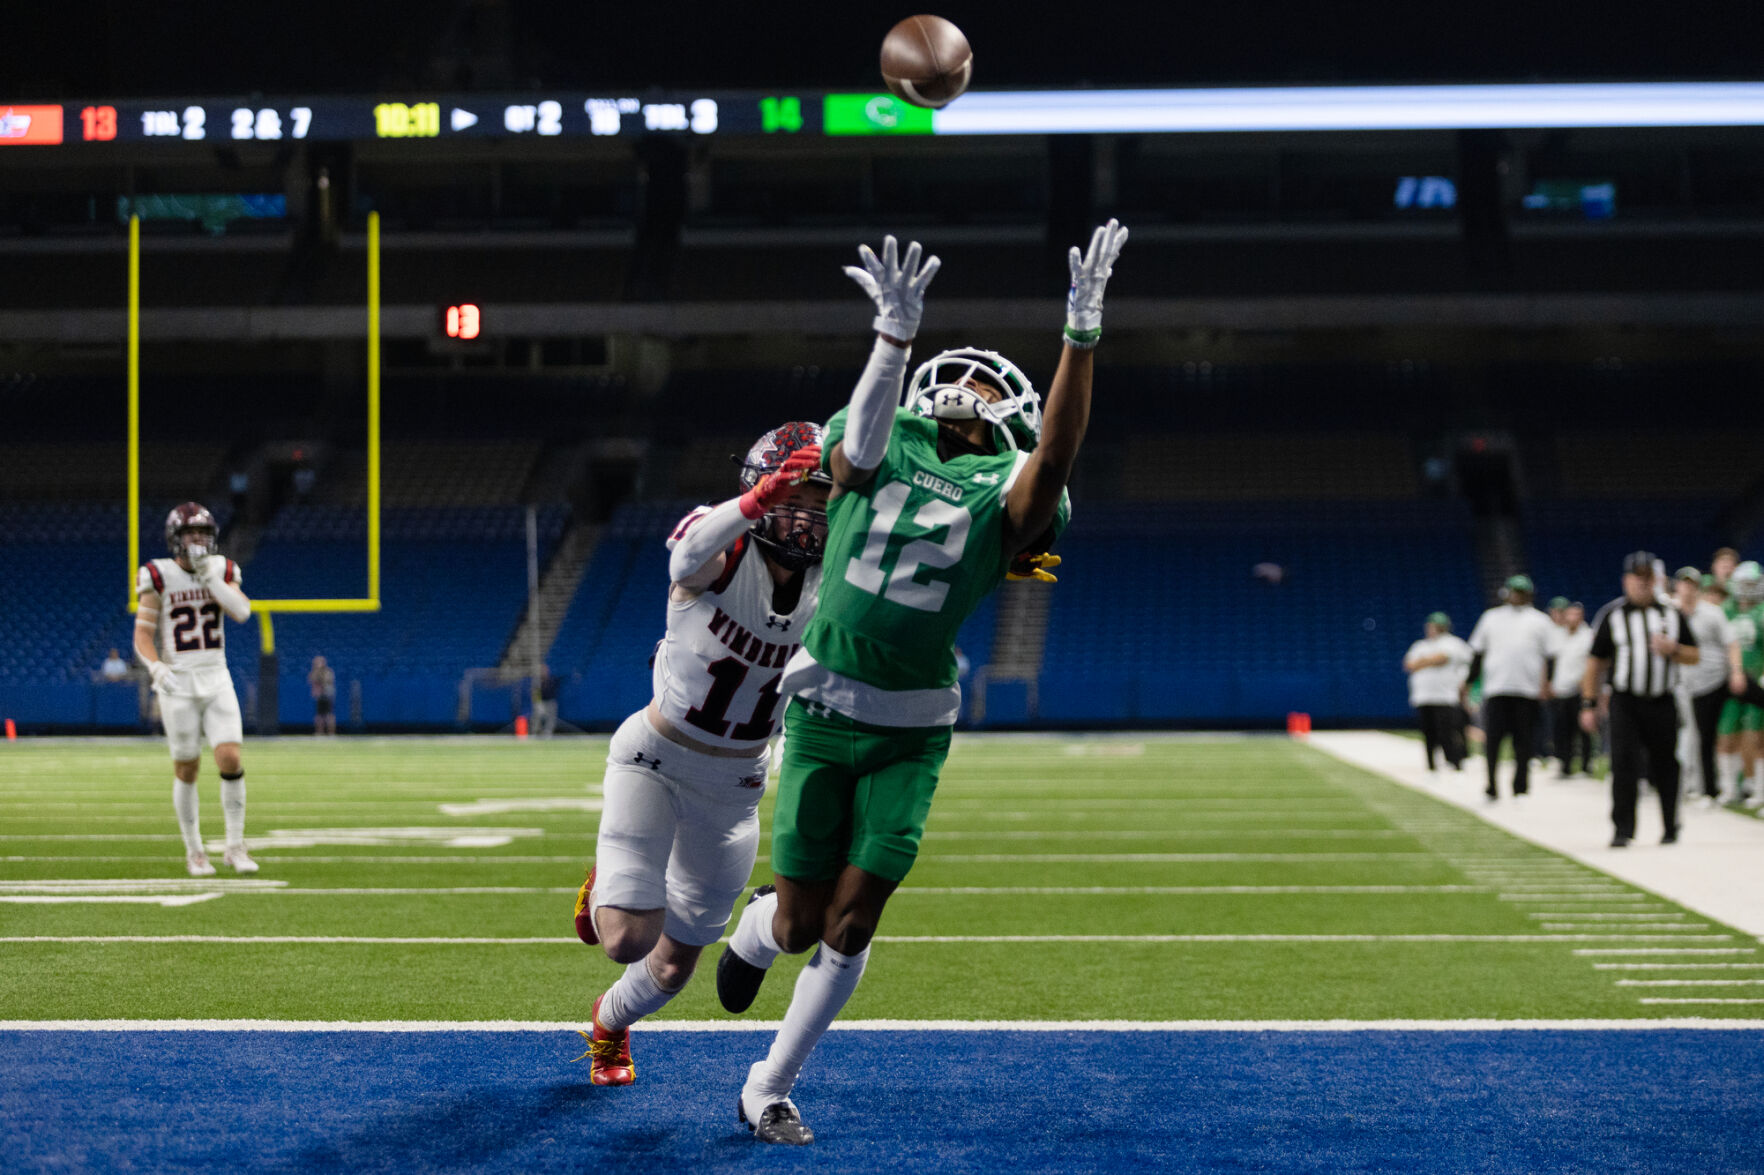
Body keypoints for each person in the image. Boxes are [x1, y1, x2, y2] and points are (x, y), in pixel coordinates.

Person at [717, 221, 1124, 1145]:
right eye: (964, 373)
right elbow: (849, 458)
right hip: (823, 707)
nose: (973, 387)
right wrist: (891, 340)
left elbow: (1052, 463)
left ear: (1009, 407)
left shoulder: (1005, 487)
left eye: (991, 382)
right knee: (797, 922)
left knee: (853, 921)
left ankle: (769, 1085)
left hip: (911, 726)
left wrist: (1081, 332)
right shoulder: (882, 431)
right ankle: (757, 931)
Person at [569, 421, 830, 1087]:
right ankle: (604, 886)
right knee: (626, 937)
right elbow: (682, 554)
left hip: (736, 786)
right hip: (655, 759)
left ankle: (608, 1022)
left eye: (819, 505)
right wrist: (755, 502)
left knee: (673, 966)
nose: (805, 521)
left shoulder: (834, 584)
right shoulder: (722, 550)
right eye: (791, 501)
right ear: (759, 493)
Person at [133, 502, 256, 876]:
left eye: (203, 533)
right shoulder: (158, 574)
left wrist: (209, 577)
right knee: (187, 767)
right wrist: (155, 667)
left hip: (216, 676)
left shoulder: (221, 568)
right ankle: (195, 851)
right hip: (178, 681)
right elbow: (142, 634)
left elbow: (241, 612)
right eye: (191, 533)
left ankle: (235, 846)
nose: (199, 539)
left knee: (230, 759)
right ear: (176, 538)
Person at [1580, 551, 1700, 846]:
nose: (1642, 584)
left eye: (1647, 578)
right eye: (1637, 577)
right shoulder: (1612, 615)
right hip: (1626, 701)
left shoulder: (1672, 614)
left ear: (1655, 580)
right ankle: (1623, 829)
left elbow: (1694, 655)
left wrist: (1673, 649)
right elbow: (1595, 662)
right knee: (1623, 763)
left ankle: (1671, 826)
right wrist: (1589, 703)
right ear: (1626, 581)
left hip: (1662, 699)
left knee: (1666, 764)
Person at [1467, 574, 1559, 801]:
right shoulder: (1491, 617)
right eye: (1514, 591)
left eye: (1521, 592)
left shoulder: (1540, 621)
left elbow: (1551, 656)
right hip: (1497, 688)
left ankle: (1521, 786)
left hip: (1527, 690)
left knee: (1524, 741)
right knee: (1493, 741)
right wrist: (1470, 682)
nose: (1517, 596)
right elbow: (1478, 653)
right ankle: (1491, 784)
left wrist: (1548, 683)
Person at [1674, 570, 1729, 805]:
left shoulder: (1711, 613)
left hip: (1714, 680)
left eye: (1692, 585)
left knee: (1704, 736)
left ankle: (1708, 789)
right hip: (1684, 685)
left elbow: (1730, 642)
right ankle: (1694, 785)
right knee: (1690, 735)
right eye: (1684, 584)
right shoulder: (1670, 612)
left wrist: (1735, 671)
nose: (1688, 589)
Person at [1716, 561, 1764, 805]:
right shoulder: (1727, 610)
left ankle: (1759, 790)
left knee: (1758, 737)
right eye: (1745, 583)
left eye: (1753, 583)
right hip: (1730, 682)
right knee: (1726, 734)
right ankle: (1728, 788)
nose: (1749, 589)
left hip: (1757, 681)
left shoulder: (1762, 611)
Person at [1403, 612, 1471, 772]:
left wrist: (1422, 662)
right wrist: (1430, 661)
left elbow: (1442, 658)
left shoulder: (1453, 643)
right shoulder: (1420, 645)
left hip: (1445, 696)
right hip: (1423, 696)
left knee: (1447, 731)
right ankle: (1431, 765)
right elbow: (1409, 665)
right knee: (1428, 733)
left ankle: (1454, 762)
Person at [1548, 602, 1595, 777]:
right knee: (1562, 730)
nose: (1572, 618)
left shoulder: (1588, 635)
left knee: (1583, 729)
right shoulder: (1559, 636)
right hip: (1561, 690)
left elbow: (1591, 664)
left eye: (1576, 615)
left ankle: (1585, 765)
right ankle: (1564, 765)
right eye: (1570, 614)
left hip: (1580, 689)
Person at [308, 654, 337, 736]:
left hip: (327, 695)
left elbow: (327, 681)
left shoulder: (328, 672)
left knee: (329, 715)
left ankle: (331, 733)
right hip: (319, 697)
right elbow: (311, 680)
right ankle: (319, 732)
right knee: (319, 716)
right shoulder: (314, 672)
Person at [531, 665, 559, 738]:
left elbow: (552, 692)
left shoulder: (551, 679)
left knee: (552, 713)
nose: (543, 672)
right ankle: (535, 732)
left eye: (545, 670)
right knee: (537, 713)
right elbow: (535, 693)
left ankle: (547, 732)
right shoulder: (537, 681)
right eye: (541, 670)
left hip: (550, 701)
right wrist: (537, 703)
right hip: (541, 702)